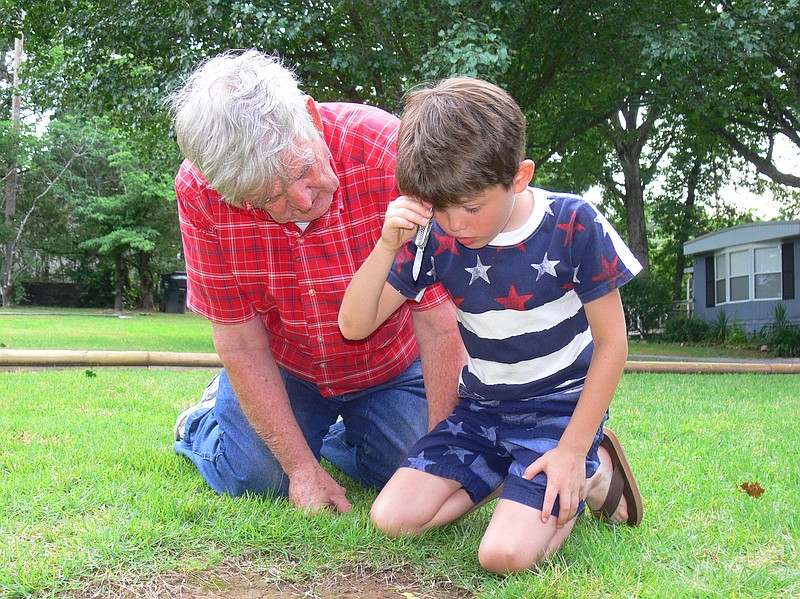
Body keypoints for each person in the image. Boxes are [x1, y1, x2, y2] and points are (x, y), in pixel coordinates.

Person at [338, 77, 644, 573]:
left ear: (519, 176)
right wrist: (387, 245)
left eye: (471, 207)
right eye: (440, 209)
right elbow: (354, 324)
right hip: (481, 411)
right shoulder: (434, 239)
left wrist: (569, 450)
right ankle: (512, 475)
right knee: (391, 518)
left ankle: (590, 468)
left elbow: (613, 344)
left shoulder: (573, 224)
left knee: (502, 556)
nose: (455, 224)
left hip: (560, 411)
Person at [166, 49, 464, 515]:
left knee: (413, 468)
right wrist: (300, 471)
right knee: (257, 478)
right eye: (268, 199)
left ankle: (341, 433)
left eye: (304, 171)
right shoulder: (200, 192)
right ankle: (206, 420)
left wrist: (445, 461)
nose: (303, 201)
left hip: (391, 364)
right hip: (288, 368)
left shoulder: (391, 151)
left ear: (309, 115)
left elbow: (440, 320)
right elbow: (240, 341)